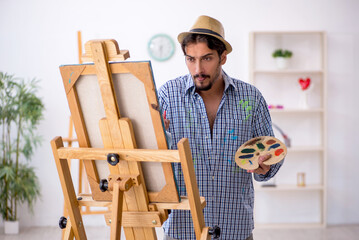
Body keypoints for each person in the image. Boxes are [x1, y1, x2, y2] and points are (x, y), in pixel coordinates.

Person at [158, 15, 284, 240]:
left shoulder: (251, 97)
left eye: (206, 58)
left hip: (235, 226)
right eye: (190, 59)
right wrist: (157, 137)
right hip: (182, 227)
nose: (198, 68)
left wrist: (266, 166)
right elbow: (152, 157)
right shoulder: (168, 94)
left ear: (222, 57)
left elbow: (272, 151)